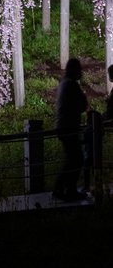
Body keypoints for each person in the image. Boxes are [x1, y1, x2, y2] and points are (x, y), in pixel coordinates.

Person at [53, 57, 89, 202]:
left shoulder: (64, 83)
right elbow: (81, 105)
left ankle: (63, 189)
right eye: (79, 69)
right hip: (68, 127)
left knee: (72, 159)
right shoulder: (71, 84)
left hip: (63, 126)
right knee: (75, 159)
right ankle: (67, 190)